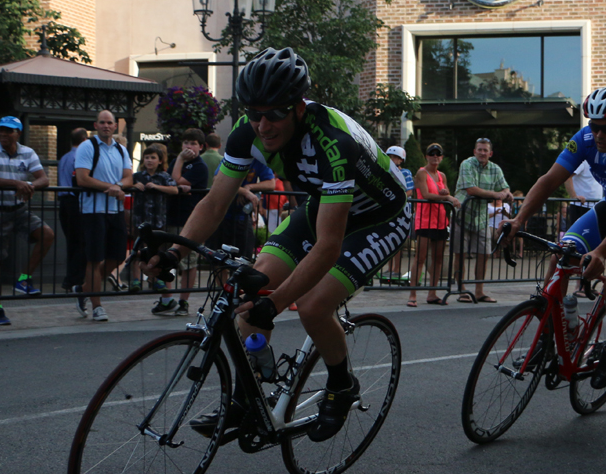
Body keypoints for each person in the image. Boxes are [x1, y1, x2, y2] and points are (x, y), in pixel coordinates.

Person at [144, 47, 412, 442]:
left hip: (380, 217)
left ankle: (342, 385)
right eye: (254, 113)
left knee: (313, 304)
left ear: (299, 107)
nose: (263, 124)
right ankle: (246, 397)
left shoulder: (333, 143)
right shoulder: (246, 135)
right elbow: (215, 202)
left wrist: (278, 302)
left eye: (275, 113)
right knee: (252, 287)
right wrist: (175, 251)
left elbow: (327, 247)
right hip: (326, 204)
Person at [503, 86, 606, 388]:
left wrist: (602, 253)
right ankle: (547, 340)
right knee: (560, 255)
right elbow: (548, 180)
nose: (598, 135)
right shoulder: (584, 139)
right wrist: (519, 219)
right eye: (593, 126)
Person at [0, 117, 53, 325]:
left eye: (8, 131)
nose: (3, 134)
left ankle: (23, 280)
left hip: (19, 209)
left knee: (47, 234)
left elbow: (44, 178)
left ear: (18, 133)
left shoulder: (27, 152)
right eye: (0, 130)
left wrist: (29, 186)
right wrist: (17, 184)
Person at [74, 109, 133, 322]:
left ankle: (83, 289)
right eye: (102, 122)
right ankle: (97, 305)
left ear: (115, 126)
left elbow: (129, 177)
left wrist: (117, 186)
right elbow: (82, 178)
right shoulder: (86, 147)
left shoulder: (121, 149)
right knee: (94, 258)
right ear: (95, 125)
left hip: (114, 210)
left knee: (117, 256)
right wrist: (113, 187)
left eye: (109, 122)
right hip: (93, 210)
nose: (106, 126)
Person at [156, 128, 210, 316]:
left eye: (193, 143)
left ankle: (183, 302)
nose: (188, 147)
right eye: (186, 142)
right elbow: (171, 182)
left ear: (201, 147)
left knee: (189, 261)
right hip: (171, 217)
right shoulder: (175, 162)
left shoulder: (200, 166)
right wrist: (178, 165)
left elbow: (175, 180)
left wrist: (177, 176)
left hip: (190, 219)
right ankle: (167, 299)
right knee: (165, 258)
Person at [454, 137, 512, 303]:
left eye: (485, 150)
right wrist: (495, 194)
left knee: (484, 254)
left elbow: (504, 186)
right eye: (479, 149)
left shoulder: (495, 169)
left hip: (481, 216)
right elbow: (471, 189)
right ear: (474, 151)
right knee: (460, 254)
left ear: (490, 153)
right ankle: (461, 289)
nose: (482, 152)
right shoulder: (467, 164)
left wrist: (507, 193)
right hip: (463, 214)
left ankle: (479, 291)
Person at [408, 143, 458, 307]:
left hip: (440, 219)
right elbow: (426, 194)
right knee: (420, 258)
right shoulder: (422, 173)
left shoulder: (442, 175)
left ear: (442, 157)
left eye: (438, 154)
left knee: (437, 259)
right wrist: (447, 198)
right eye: (432, 154)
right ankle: (413, 294)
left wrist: (446, 194)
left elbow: (445, 192)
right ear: (427, 156)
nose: (435, 157)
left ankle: (432, 293)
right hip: (425, 219)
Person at [130, 144, 177, 293]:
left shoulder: (163, 176)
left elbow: (174, 189)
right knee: (137, 250)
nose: (149, 160)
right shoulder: (137, 176)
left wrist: (157, 187)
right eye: (147, 157)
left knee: (158, 251)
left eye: (153, 158)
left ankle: (157, 280)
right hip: (140, 218)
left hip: (158, 220)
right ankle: (136, 280)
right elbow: (127, 186)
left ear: (160, 161)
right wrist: (134, 186)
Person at [57, 127, 90, 294]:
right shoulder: (79, 157)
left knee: (72, 241)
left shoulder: (64, 157)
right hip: (74, 200)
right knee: (80, 242)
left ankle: (71, 278)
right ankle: (73, 279)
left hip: (63, 201)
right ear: (84, 140)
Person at [383, 146, 414, 283]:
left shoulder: (405, 173)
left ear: (401, 160)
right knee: (389, 241)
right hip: (390, 209)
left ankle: (397, 269)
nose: (392, 160)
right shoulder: (386, 172)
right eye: (390, 157)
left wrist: (396, 199)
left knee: (397, 242)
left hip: (401, 209)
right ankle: (389, 268)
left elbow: (409, 191)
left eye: (395, 157)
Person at [563, 160, 603, 232]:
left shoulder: (598, 162)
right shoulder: (583, 162)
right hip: (581, 206)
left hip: (594, 206)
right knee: (578, 233)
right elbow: (567, 177)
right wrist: (574, 196)